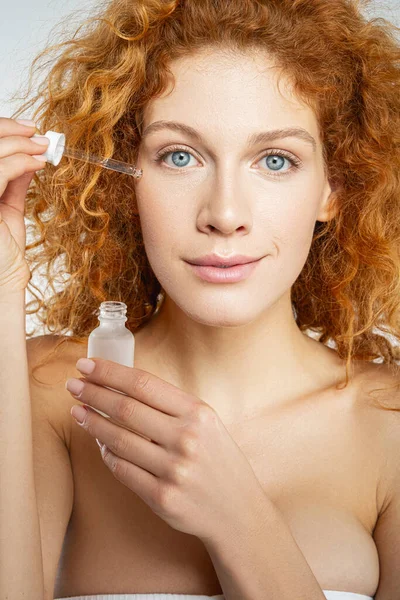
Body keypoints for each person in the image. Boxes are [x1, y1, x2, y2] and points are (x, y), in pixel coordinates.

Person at [1, 0, 399, 598]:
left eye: (275, 160)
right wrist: (4, 289)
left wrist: (239, 520)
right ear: (123, 174)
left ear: (332, 190)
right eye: (179, 156)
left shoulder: (389, 425)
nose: (225, 215)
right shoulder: (48, 391)